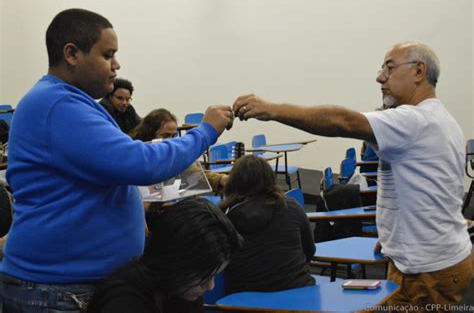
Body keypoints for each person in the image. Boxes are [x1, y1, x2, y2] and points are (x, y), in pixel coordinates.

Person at [0, 8, 233, 312]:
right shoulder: (58, 105)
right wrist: (205, 131)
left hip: (68, 286)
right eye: (107, 54)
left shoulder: (70, 104)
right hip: (55, 291)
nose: (116, 65)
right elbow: (141, 163)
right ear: (72, 53)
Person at [232, 42, 472, 308]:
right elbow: (433, 192)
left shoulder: (415, 121)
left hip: (426, 273)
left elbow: (343, 121)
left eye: (389, 68)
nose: (380, 77)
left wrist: (272, 110)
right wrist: (396, 237)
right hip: (435, 259)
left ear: (419, 71)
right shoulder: (443, 121)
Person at [87, 197, 242, 313]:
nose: (210, 286)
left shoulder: (181, 291)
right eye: (205, 276)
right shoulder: (123, 304)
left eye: (213, 276)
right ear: (176, 259)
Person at [220, 155, 315, 293]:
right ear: (270, 179)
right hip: (299, 295)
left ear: (233, 183)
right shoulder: (291, 206)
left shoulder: (226, 220)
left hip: (247, 303)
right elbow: (309, 251)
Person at [130, 108, 228, 192]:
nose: (171, 141)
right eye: (166, 135)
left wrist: (221, 179)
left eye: (174, 136)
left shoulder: (173, 156)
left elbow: (191, 172)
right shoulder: (136, 155)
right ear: (150, 133)